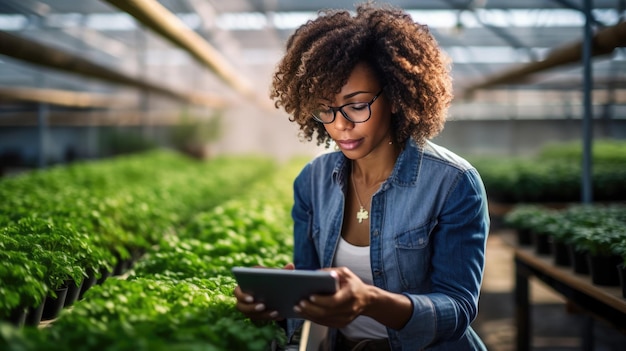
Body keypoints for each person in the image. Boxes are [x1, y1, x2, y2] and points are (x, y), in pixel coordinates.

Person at [234, 2, 490, 350]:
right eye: (326, 108)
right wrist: (277, 305)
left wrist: (369, 300)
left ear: (396, 98)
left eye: (357, 105)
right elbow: (310, 304)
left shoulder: (453, 184)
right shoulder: (312, 182)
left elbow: (458, 308)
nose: (340, 124)